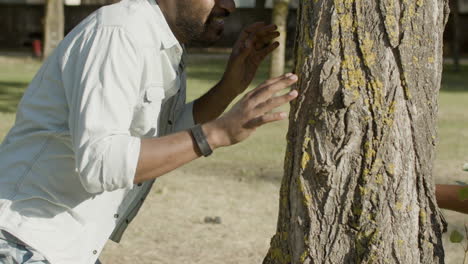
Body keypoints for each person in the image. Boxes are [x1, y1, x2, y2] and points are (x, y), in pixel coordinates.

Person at [0, 0, 299, 263]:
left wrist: (228, 88)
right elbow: (101, 163)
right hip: (23, 241)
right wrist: (216, 134)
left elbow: (160, 135)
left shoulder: (163, 42)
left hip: (63, 247)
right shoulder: (119, 33)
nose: (230, 5)